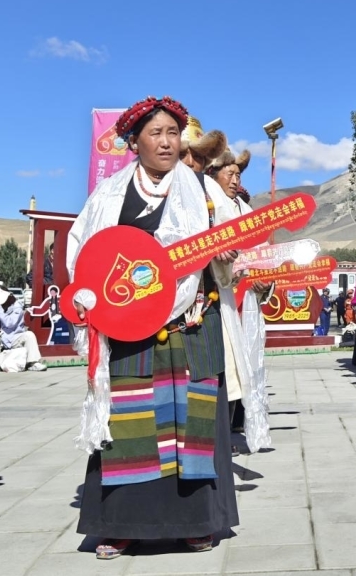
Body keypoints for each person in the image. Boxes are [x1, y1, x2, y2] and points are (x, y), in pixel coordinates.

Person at [66, 96, 238, 558]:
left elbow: (233, 251)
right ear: (134, 142)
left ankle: (198, 521)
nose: (166, 142)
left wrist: (227, 256)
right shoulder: (109, 196)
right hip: (130, 328)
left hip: (191, 324)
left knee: (193, 421)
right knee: (132, 424)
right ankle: (123, 524)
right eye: (155, 133)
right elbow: (84, 252)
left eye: (172, 133)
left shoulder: (204, 191)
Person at [207, 147, 272, 453]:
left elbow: (263, 258)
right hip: (215, 298)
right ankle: (212, 439)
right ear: (213, 173)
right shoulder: (204, 206)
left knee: (242, 367)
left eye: (238, 174)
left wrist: (264, 282)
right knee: (221, 368)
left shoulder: (248, 215)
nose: (235, 180)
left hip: (244, 301)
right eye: (229, 173)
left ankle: (229, 434)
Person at [0, 286, 47, 372]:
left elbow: (10, 323)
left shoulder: (16, 307)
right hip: (2, 338)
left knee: (29, 335)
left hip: (14, 338)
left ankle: (33, 363)